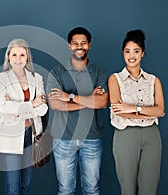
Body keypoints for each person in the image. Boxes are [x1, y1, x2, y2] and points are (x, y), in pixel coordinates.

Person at [47, 27, 108, 195]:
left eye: (83, 43)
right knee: (65, 190)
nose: (79, 47)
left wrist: (70, 97)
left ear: (89, 45)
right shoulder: (56, 72)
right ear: (69, 46)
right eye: (75, 43)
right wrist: (89, 100)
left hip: (92, 138)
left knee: (92, 189)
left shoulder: (99, 72)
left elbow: (102, 102)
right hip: (63, 138)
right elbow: (56, 105)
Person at [108, 29, 165, 195]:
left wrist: (133, 108)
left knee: (149, 189)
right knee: (128, 189)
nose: (131, 56)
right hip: (125, 135)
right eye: (127, 51)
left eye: (136, 51)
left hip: (151, 135)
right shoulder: (115, 79)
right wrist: (148, 111)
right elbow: (119, 111)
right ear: (122, 53)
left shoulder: (154, 80)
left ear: (142, 53)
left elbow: (160, 110)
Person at [0, 38, 48, 195]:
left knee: (25, 186)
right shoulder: (1, 78)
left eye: (22, 55)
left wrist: (17, 107)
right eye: (15, 55)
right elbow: (3, 107)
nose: (18, 59)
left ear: (27, 57)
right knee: (13, 187)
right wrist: (32, 104)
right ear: (8, 57)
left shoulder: (36, 78)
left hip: (32, 135)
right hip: (11, 135)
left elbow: (44, 108)